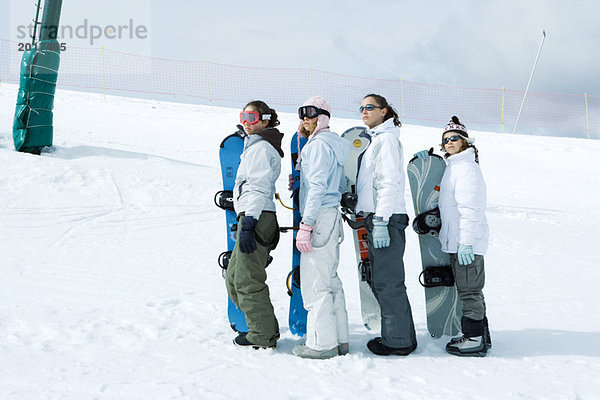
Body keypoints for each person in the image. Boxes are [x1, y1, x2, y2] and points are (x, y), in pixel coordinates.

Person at [414, 116, 491, 357]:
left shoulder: (467, 169)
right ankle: (480, 334)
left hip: (467, 242)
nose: (449, 142)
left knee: (469, 292)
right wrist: (426, 165)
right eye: (445, 140)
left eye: (454, 138)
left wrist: (466, 242)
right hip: (458, 242)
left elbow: (470, 209)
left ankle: (474, 339)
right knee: (469, 290)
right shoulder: (454, 167)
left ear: (465, 141)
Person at [356, 94, 417, 356]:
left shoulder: (387, 140)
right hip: (379, 217)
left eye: (370, 107)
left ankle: (398, 341)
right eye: (361, 108)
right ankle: (400, 335)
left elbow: (389, 182)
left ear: (384, 111)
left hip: (387, 219)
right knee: (384, 279)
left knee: (388, 281)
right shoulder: (379, 140)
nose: (364, 112)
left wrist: (380, 220)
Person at [291, 96, 351, 359]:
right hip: (331, 217)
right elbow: (335, 184)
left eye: (312, 114)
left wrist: (306, 224)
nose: (306, 118)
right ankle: (340, 339)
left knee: (315, 284)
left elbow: (317, 188)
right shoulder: (335, 145)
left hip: (318, 218)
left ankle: (321, 344)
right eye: (302, 114)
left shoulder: (316, 147)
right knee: (330, 280)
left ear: (323, 117)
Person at [225, 100, 284, 349]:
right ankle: (265, 327)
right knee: (234, 277)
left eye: (251, 116)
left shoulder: (261, 149)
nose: (246, 122)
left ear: (265, 119)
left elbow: (258, 186)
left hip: (257, 216)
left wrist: (249, 220)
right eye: (243, 116)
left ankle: (262, 335)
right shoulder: (256, 146)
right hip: (251, 214)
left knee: (247, 279)